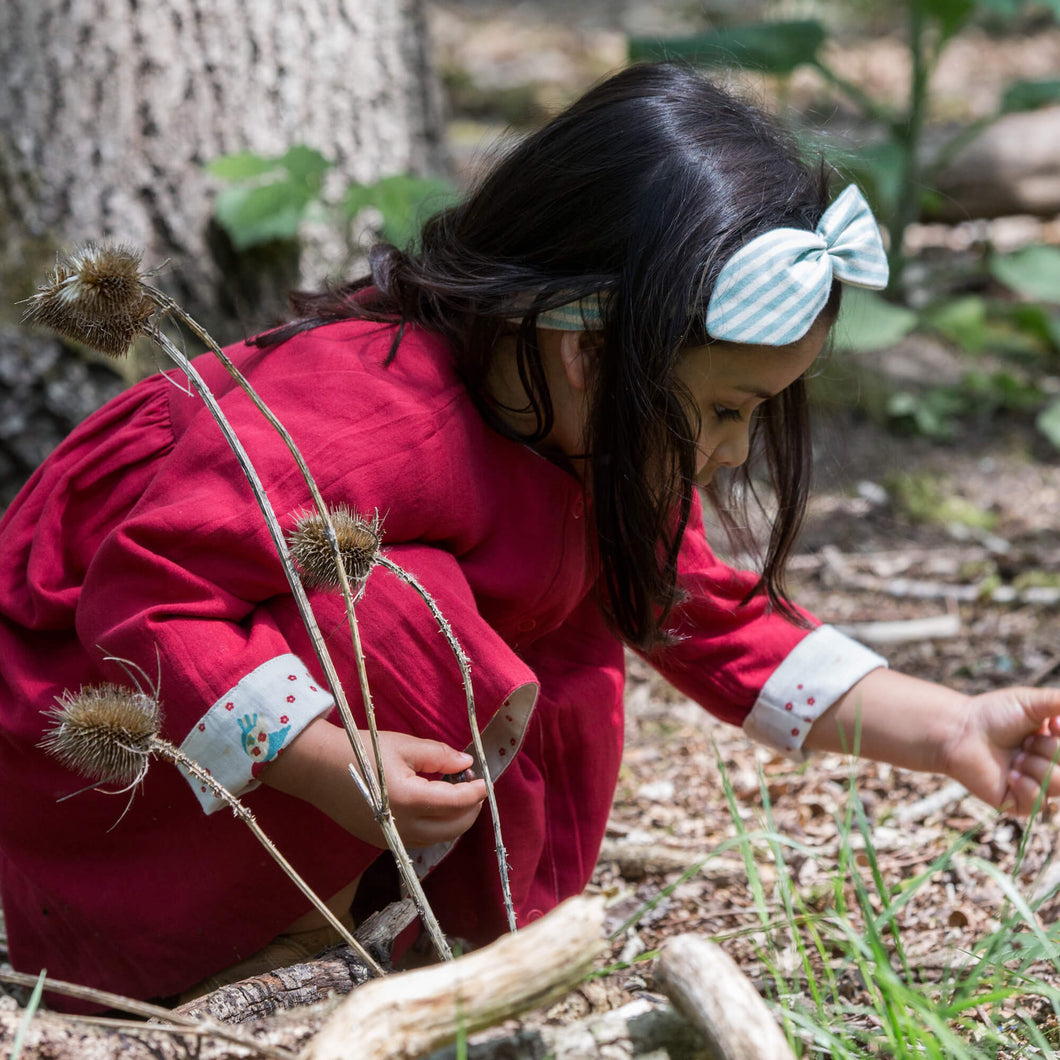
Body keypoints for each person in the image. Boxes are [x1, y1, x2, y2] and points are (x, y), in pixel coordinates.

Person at [2, 62, 1059, 1011]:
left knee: (528, 636)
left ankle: (412, 932)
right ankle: (262, 949)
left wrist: (948, 726)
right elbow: (147, 595)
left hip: (286, 766)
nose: (736, 452)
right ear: (590, 359)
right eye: (729, 409)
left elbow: (706, 615)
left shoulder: (588, 444)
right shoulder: (368, 418)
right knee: (387, 609)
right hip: (94, 750)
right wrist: (326, 758)